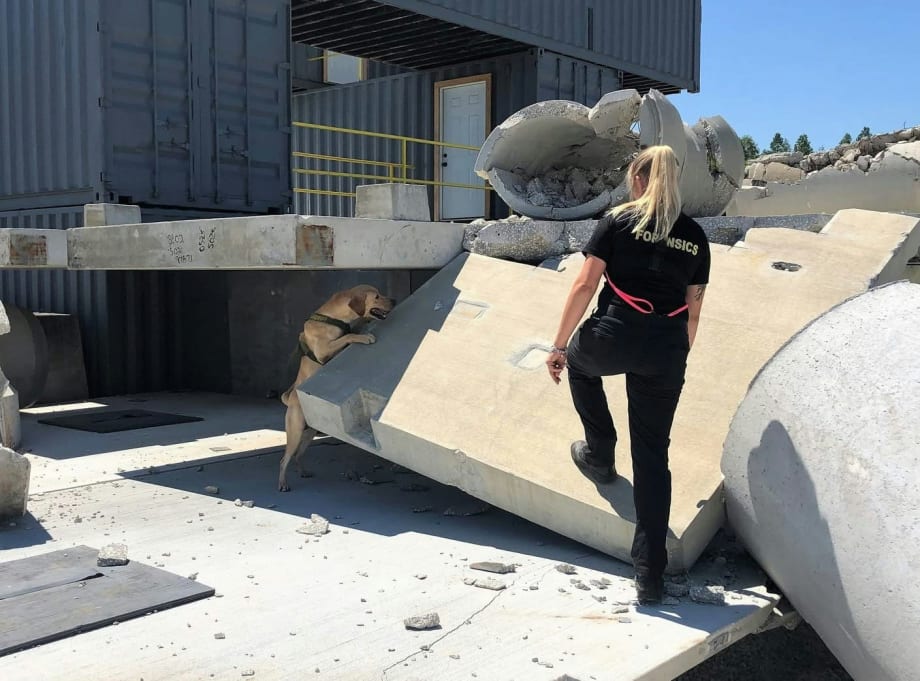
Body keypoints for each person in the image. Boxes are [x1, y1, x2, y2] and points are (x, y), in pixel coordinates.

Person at [546, 145, 710, 604]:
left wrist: (558, 346)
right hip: (667, 349)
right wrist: (676, 357)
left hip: (613, 337)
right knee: (654, 456)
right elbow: (693, 310)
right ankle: (649, 576)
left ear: (637, 180)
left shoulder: (618, 221)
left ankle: (599, 454)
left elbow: (585, 284)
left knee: (579, 366)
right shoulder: (695, 236)